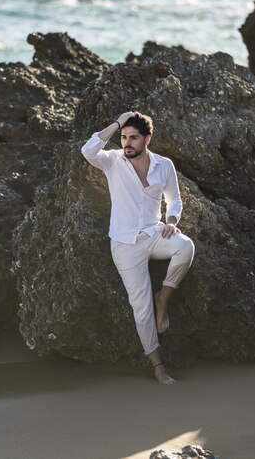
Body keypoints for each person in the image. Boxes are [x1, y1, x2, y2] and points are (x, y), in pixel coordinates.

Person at [81, 110, 195, 384]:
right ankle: (158, 365)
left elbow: (175, 200)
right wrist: (117, 123)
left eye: (133, 138)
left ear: (147, 139)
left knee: (186, 247)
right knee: (140, 306)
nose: (127, 143)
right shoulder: (112, 161)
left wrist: (171, 221)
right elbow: (88, 150)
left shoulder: (164, 165)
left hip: (156, 232)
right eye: (123, 137)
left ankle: (163, 299)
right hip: (124, 242)